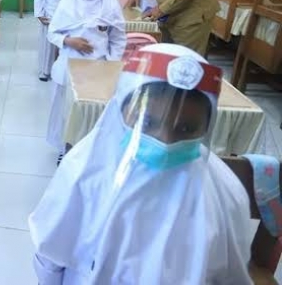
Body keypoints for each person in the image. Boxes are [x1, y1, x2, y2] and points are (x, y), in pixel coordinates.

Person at [29, 43, 253, 284]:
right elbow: (51, 255)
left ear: (206, 128)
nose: (165, 140)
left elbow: (231, 277)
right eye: (147, 123)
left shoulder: (224, 197)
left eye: (186, 128)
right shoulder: (83, 172)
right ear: (120, 111)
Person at [46, 0, 126, 158]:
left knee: (93, 115)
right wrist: (69, 41)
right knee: (67, 112)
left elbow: (118, 39)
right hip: (68, 68)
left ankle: (89, 151)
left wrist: (109, 64)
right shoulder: (68, 2)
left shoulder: (110, 6)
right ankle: (65, 148)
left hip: (97, 69)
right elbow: (52, 32)